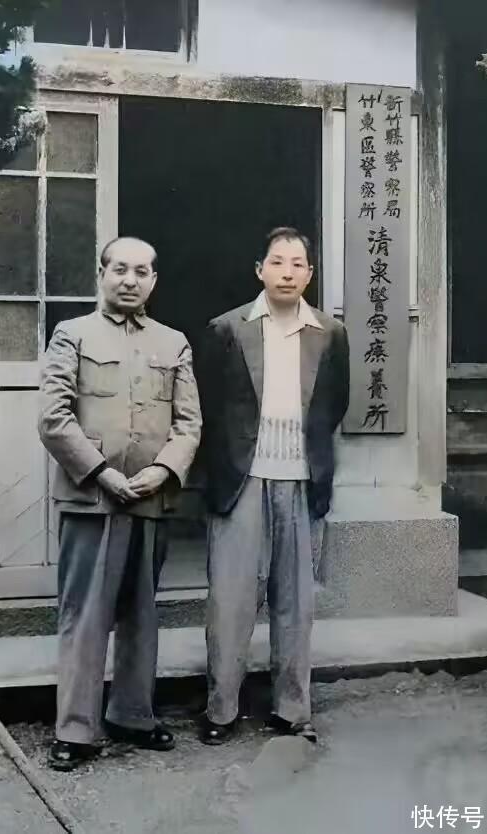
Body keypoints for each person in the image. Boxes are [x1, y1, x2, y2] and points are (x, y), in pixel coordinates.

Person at [38, 236, 202, 771]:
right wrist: (102, 473)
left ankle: (133, 714)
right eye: (120, 269)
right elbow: (54, 418)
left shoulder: (173, 343)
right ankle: (76, 728)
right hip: (92, 499)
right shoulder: (72, 334)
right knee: (85, 615)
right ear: (102, 274)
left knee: (142, 613)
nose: (130, 280)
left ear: (154, 280)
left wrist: (163, 470)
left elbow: (189, 423)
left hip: (150, 499)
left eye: (142, 272)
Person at [197, 227, 350, 745]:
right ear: (259, 269)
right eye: (278, 262)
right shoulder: (226, 328)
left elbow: (334, 403)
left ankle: (292, 709)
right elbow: (208, 406)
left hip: (302, 479)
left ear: (310, 273)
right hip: (242, 478)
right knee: (231, 599)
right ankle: (221, 709)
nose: (288, 272)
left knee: (296, 603)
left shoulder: (330, 333)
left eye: (298, 264)